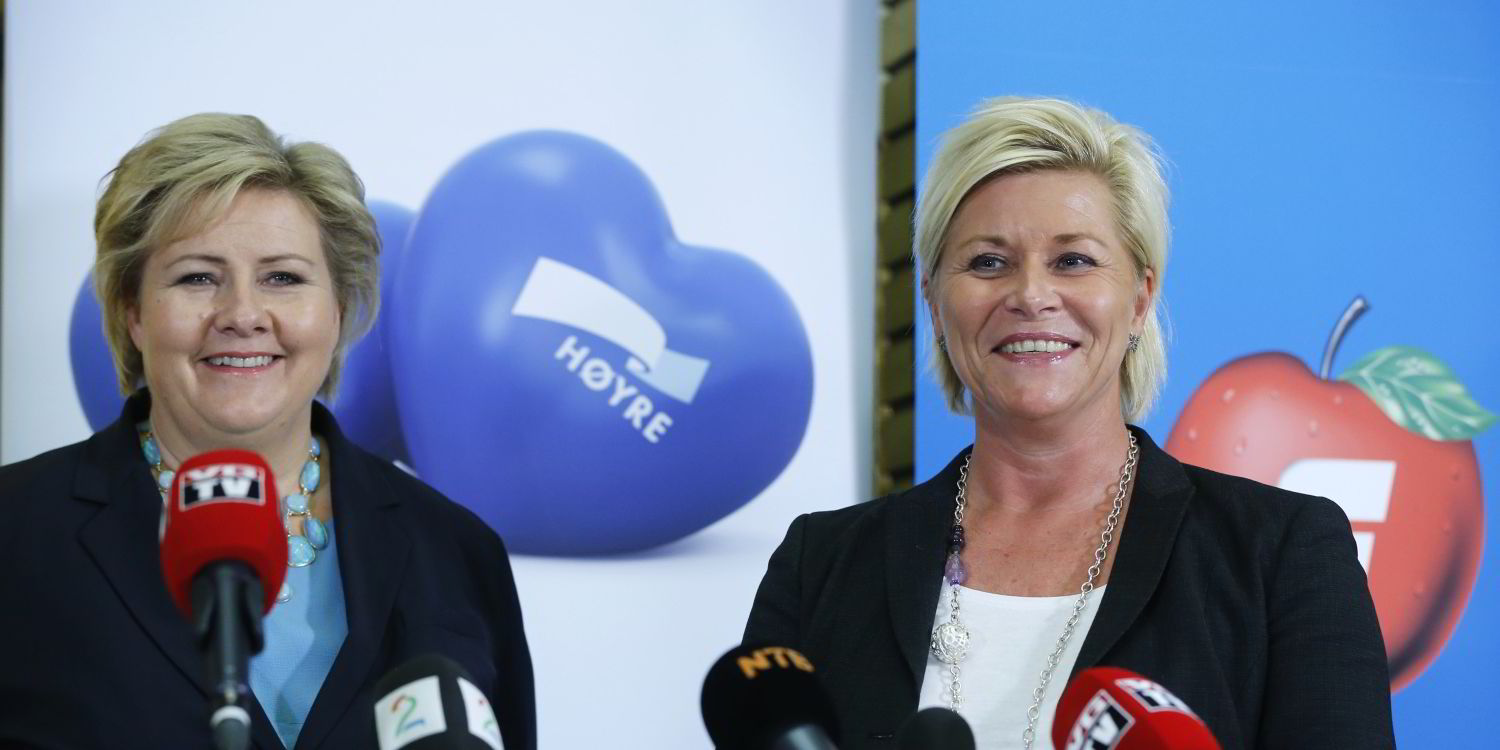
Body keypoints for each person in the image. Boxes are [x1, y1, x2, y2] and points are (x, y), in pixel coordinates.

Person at [744, 97, 1393, 749]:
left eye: (1073, 260)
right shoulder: (820, 564)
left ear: (1139, 298)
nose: (1030, 295)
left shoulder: (1281, 554)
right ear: (935, 302)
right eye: (988, 262)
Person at [0, 113, 535, 750]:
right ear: (133, 311)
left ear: (338, 309)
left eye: (283, 278)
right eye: (198, 277)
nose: (243, 315)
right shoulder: (15, 528)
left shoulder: (457, 551)